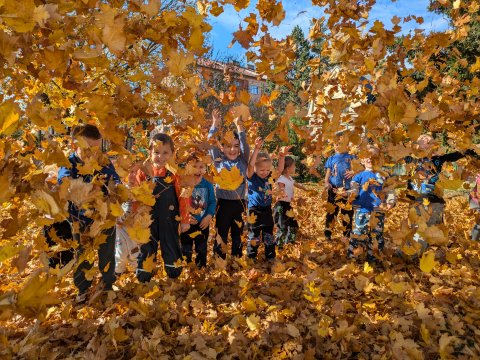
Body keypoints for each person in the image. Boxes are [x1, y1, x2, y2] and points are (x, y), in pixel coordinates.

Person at [57, 124, 120, 304]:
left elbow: (115, 179)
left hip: (104, 218)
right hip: (80, 220)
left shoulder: (103, 161)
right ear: (73, 145)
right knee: (83, 255)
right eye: (87, 149)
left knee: (107, 252)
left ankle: (108, 284)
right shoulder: (68, 164)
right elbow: (66, 184)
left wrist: (115, 186)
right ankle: (83, 288)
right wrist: (91, 188)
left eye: (95, 148)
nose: (92, 153)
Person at [403, 134, 479, 255]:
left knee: (434, 227)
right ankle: (413, 252)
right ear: (416, 146)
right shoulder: (413, 160)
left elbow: (456, 155)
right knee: (416, 226)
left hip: (434, 200)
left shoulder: (439, 159)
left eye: (430, 140)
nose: (428, 140)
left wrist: (468, 150)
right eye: (423, 139)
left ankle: (431, 253)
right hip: (416, 200)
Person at [133, 133, 190, 282]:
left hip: (169, 219)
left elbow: (183, 197)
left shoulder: (175, 173)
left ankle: (173, 274)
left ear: (172, 153)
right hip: (148, 219)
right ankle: (144, 276)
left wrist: (184, 219)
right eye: (156, 152)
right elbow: (136, 198)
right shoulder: (143, 172)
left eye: (165, 153)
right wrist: (135, 217)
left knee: (170, 244)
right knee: (147, 247)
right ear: (150, 153)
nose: (161, 157)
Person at [208, 109, 250, 259]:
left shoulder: (243, 161)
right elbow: (211, 143)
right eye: (228, 146)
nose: (232, 149)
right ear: (222, 148)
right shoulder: (219, 160)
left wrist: (239, 127)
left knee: (237, 232)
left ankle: (237, 257)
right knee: (222, 233)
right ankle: (219, 258)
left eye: (236, 146)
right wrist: (215, 124)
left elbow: (245, 146)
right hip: (223, 204)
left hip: (239, 203)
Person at [347, 147, 395, 264]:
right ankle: (354, 256)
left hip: (378, 209)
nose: (370, 159)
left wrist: (390, 201)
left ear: (379, 160)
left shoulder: (384, 176)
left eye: (374, 157)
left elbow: (390, 191)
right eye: (367, 156)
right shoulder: (358, 176)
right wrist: (348, 194)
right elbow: (354, 190)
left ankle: (374, 257)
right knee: (359, 232)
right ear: (362, 160)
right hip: (362, 209)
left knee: (376, 234)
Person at [246, 138, 287, 261]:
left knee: (268, 233)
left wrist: (281, 157)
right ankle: (251, 256)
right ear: (255, 169)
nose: (265, 172)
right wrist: (256, 149)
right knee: (254, 234)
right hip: (254, 210)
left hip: (267, 209)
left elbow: (279, 171)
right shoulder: (251, 177)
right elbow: (251, 165)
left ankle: (270, 256)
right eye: (262, 170)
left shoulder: (269, 178)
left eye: (267, 170)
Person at [180, 153, 216, 268]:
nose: (198, 170)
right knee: (186, 248)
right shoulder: (185, 184)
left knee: (202, 248)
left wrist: (209, 216)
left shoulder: (208, 184)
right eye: (194, 166)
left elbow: (212, 202)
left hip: (202, 223)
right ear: (188, 167)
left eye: (201, 167)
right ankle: (187, 267)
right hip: (188, 223)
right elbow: (181, 203)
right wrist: (186, 217)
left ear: (205, 169)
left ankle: (201, 267)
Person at [324, 137, 355, 241]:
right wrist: (326, 182)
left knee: (347, 213)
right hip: (333, 189)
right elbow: (328, 172)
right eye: (335, 144)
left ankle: (346, 235)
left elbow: (359, 169)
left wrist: (353, 172)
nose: (337, 146)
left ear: (346, 145)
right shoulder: (331, 158)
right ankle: (328, 233)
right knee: (331, 212)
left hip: (347, 190)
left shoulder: (351, 157)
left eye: (340, 144)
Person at [274, 156, 308, 248]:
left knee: (294, 225)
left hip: (288, 205)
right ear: (288, 168)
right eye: (294, 166)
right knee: (282, 226)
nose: (295, 167)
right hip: (281, 206)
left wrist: (304, 188)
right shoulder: (281, 179)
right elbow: (281, 188)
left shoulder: (290, 178)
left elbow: (296, 184)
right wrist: (282, 193)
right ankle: (279, 246)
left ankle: (290, 243)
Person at [114, 171, 139, 275]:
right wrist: (119, 219)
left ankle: (137, 270)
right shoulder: (120, 189)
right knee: (120, 251)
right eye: (130, 172)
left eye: (135, 173)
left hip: (134, 227)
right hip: (120, 228)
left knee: (135, 251)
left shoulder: (140, 189)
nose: (132, 176)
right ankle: (118, 271)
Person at [469, 173, 480, 241]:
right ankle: (473, 242)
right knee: (478, 224)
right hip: (476, 202)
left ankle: (473, 241)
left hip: (474, 201)